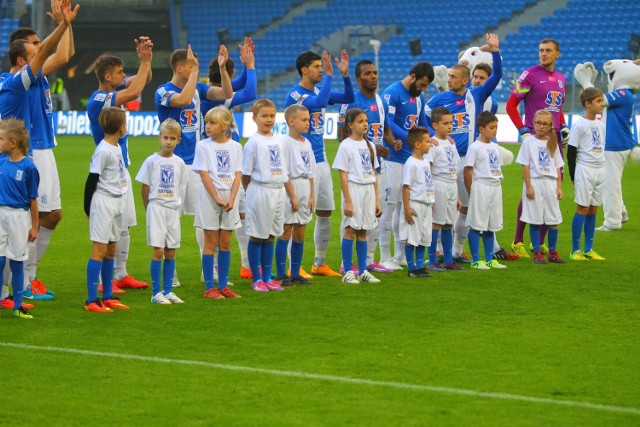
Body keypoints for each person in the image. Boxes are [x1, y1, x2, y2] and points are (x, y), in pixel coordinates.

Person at [1, 0, 77, 300]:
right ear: (23, 56)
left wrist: (66, 24)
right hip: (30, 153)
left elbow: (65, 54)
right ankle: (21, 282)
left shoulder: (35, 73)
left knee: (54, 215)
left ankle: (29, 277)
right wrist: (62, 24)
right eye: (35, 45)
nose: (41, 47)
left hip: (46, 147)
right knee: (24, 218)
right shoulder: (18, 81)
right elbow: (50, 52)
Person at [155, 44, 233, 287]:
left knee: (206, 218)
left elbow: (225, 94)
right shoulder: (163, 91)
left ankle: (210, 270)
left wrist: (222, 69)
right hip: (173, 164)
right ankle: (172, 273)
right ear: (181, 67)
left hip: (197, 164)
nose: (196, 69)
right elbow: (184, 99)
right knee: (171, 219)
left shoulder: (199, 87)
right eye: (192, 65)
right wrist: (196, 72)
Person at [426, 33, 502, 265]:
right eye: (448, 76)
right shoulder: (440, 99)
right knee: (446, 207)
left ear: (465, 80)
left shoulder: (476, 94)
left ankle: (456, 250)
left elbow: (497, 75)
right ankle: (440, 250)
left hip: (469, 159)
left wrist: (495, 52)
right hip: (447, 160)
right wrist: (431, 137)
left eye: (453, 77)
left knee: (467, 206)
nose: (449, 80)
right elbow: (425, 115)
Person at [87, 37, 153, 293]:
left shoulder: (112, 92)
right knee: (114, 228)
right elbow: (135, 91)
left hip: (122, 166)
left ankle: (121, 274)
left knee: (125, 224)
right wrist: (145, 62)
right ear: (107, 76)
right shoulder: (99, 99)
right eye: (119, 73)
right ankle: (108, 280)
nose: (124, 76)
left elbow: (141, 81)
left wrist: (143, 61)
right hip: (109, 170)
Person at [284, 49, 354, 278]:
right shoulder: (295, 95)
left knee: (325, 212)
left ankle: (320, 263)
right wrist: (332, 76)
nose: (321, 70)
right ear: (304, 70)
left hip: (321, 160)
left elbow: (348, 98)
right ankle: (293, 266)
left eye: (321, 67)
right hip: (299, 164)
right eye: (317, 67)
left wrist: (344, 75)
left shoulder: (317, 89)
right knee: (295, 217)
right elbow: (321, 101)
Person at [506, 38, 569, 258]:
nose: (543, 54)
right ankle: (517, 241)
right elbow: (511, 105)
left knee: (551, 192)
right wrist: (523, 129)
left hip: (554, 140)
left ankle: (541, 245)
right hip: (535, 140)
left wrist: (564, 126)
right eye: (541, 50)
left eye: (548, 51)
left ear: (557, 54)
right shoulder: (529, 75)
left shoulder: (561, 78)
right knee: (530, 192)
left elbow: (557, 108)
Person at [201, 38, 257, 281]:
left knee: (229, 216)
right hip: (219, 165)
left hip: (219, 160)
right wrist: (251, 64)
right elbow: (251, 90)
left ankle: (236, 266)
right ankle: (222, 267)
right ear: (227, 73)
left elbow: (241, 82)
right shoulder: (221, 99)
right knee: (222, 219)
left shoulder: (212, 93)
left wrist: (244, 65)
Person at [337, 59, 397, 273]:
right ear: (358, 78)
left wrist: (390, 142)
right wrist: (370, 146)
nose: (374, 76)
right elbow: (341, 135)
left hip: (375, 167)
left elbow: (385, 128)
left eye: (375, 73)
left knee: (372, 216)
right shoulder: (350, 101)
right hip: (355, 173)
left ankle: (369, 260)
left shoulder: (380, 101)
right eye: (368, 73)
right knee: (351, 219)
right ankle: (347, 263)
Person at [381, 61, 434, 270]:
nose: (422, 89)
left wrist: (433, 136)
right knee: (391, 206)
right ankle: (384, 255)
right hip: (394, 158)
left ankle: (400, 254)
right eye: (421, 84)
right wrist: (411, 139)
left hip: (410, 159)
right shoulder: (392, 93)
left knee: (406, 207)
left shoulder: (419, 97)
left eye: (425, 86)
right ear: (412, 76)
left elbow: (422, 125)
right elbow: (389, 123)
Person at [135, 118, 190, 304]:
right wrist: (149, 207)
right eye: (165, 137)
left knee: (171, 251)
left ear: (178, 140)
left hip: (172, 209)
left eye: (172, 138)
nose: (168, 141)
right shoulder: (151, 161)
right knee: (158, 251)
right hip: (157, 208)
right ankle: (155, 292)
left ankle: (168, 291)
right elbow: (144, 187)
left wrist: (177, 207)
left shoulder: (180, 162)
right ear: (159, 138)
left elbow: (181, 187)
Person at [83, 107, 131, 312]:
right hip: (103, 202)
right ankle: (92, 300)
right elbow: (91, 180)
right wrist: (88, 208)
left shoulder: (117, 147)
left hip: (117, 201)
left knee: (111, 248)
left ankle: (108, 295)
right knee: (100, 249)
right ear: (121, 127)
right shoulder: (102, 150)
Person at [193, 106, 243, 299]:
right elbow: (204, 174)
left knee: (225, 242)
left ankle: (223, 285)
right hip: (210, 197)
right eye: (207, 123)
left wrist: (231, 198)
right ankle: (209, 287)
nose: (208, 126)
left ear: (225, 126)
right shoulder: (203, 146)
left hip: (230, 198)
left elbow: (238, 174)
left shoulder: (236, 147)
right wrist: (217, 198)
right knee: (210, 241)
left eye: (212, 123)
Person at [241, 99, 288, 292]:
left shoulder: (279, 140)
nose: (268, 120)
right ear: (254, 118)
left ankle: (268, 277)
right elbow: (245, 174)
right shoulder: (253, 143)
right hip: (260, 190)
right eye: (264, 116)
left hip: (278, 190)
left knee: (270, 235)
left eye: (272, 116)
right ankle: (257, 278)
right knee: (257, 236)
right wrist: (251, 194)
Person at [332, 108, 382, 284]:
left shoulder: (370, 146)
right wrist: (348, 200)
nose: (365, 124)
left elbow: (374, 173)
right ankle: (347, 271)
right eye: (361, 121)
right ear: (350, 125)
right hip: (354, 189)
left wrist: (376, 199)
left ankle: (363, 270)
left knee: (363, 231)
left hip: (368, 190)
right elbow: (343, 175)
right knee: (350, 230)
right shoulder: (346, 145)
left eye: (366, 121)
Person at [0, 118, 39, 319]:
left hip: (18, 217)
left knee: (16, 261)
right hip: (0, 215)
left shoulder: (28, 167)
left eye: (0, 139)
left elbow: (33, 199)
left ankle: (17, 305)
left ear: (12, 143)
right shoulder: (1, 162)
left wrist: (34, 227)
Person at [515, 110, 565, 265]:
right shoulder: (528, 142)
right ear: (533, 123)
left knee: (553, 219)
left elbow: (557, 166)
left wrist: (559, 187)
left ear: (550, 126)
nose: (541, 126)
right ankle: (537, 252)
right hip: (535, 182)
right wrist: (528, 186)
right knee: (535, 219)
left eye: (545, 123)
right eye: (538, 122)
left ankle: (552, 252)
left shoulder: (552, 142)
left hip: (550, 183)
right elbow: (525, 165)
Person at [274, 104, 315, 287]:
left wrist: (312, 195)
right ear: (291, 121)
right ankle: (282, 274)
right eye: (304, 120)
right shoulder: (284, 142)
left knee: (300, 232)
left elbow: (311, 172)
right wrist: (293, 196)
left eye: (308, 119)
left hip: (305, 186)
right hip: (291, 187)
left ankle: (296, 273)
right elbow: (284, 172)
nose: (308, 123)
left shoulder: (307, 143)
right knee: (286, 230)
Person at [463, 112, 507, 270]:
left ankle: (490, 258)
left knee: (491, 224)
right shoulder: (475, 147)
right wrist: (471, 190)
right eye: (491, 127)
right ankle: (476, 260)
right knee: (476, 223)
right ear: (481, 129)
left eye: (496, 127)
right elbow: (467, 170)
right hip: (481, 186)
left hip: (496, 186)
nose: (495, 130)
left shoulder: (495, 147)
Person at [567, 88, 606, 261]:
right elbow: (571, 152)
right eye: (599, 101)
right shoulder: (579, 125)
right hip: (585, 169)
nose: (602, 104)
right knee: (582, 208)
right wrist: (573, 176)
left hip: (600, 169)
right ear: (588, 104)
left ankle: (589, 249)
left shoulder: (600, 124)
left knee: (593, 209)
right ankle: (575, 250)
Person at [426, 107, 464, 272]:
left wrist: (457, 195)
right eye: (445, 123)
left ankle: (448, 260)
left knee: (449, 224)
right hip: (439, 184)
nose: (450, 126)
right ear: (435, 125)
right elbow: (428, 169)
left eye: (451, 123)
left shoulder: (450, 142)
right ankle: (432, 260)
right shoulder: (432, 144)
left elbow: (454, 167)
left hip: (451, 185)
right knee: (436, 224)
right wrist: (430, 194)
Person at [400, 126, 434, 278]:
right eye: (427, 141)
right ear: (417, 144)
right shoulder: (411, 163)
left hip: (426, 204)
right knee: (412, 237)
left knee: (424, 238)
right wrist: (407, 208)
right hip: (415, 204)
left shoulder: (426, 162)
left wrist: (431, 199)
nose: (430, 144)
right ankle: (412, 268)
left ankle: (420, 267)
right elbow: (406, 187)